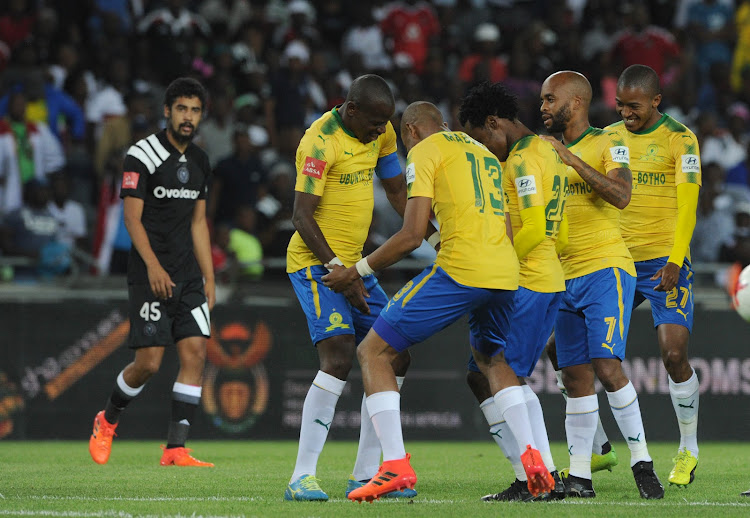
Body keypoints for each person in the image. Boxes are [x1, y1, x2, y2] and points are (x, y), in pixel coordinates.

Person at [323, 101, 555, 503]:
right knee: (492, 361)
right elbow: (506, 222)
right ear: (444, 125)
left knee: (374, 351)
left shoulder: (423, 152)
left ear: (411, 131)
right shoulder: (482, 152)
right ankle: (531, 455)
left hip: (461, 270)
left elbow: (411, 234)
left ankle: (394, 463)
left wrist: (357, 271)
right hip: (505, 271)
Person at [284, 74, 432, 502]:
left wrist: (428, 234)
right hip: (317, 266)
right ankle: (301, 477)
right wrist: (339, 269)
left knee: (396, 355)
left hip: (355, 268)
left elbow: (396, 188)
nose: (380, 132)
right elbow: (301, 216)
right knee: (338, 356)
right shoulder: (319, 142)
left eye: (385, 124)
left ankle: (366, 474)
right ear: (351, 110)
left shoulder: (381, 130)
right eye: (373, 124)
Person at [539, 70, 663, 499]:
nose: (543, 107)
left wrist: (571, 160)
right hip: (563, 274)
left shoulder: (608, 143)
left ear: (574, 103)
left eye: (550, 99)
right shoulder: (541, 152)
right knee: (574, 377)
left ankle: (642, 462)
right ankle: (580, 479)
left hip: (605, 268)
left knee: (607, 367)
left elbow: (622, 195)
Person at [87, 77, 216, 467]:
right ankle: (107, 419)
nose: (188, 117)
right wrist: (155, 267)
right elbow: (132, 219)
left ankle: (175, 448)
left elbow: (198, 223)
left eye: (194, 110)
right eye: (181, 109)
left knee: (195, 353)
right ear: (167, 111)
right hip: (149, 273)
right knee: (149, 364)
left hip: (188, 275)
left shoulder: (200, 160)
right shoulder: (140, 155)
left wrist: (210, 278)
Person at [457, 81, 567, 502]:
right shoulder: (548, 151)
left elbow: (536, 227)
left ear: (494, 123)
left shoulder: (521, 162)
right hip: (542, 277)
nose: (483, 148)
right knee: (482, 373)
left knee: (503, 373)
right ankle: (538, 473)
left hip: (528, 281)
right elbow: (564, 228)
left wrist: (503, 263)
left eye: (481, 139)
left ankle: (537, 476)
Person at [612, 64, 702, 488]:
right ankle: (594, 449)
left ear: (655, 101)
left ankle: (688, 449)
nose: (626, 113)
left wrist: (674, 258)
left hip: (665, 261)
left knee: (673, 356)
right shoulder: (612, 139)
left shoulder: (681, 139)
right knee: (565, 349)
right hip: (617, 262)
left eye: (633, 106)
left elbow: (688, 206)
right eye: (619, 105)